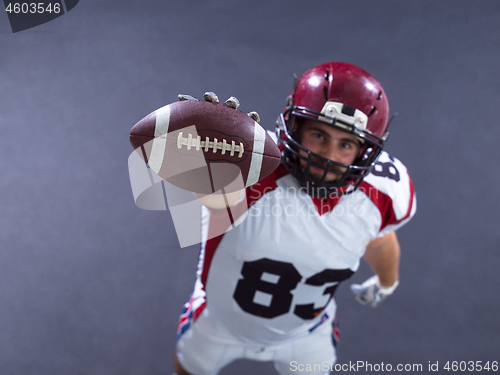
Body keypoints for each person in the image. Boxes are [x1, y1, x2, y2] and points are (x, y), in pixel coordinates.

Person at [172, 62, 416, 375]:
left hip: (306, 333)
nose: (328, 155)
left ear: (365, 151)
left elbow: (379, 240)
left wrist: (387, 282)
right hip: (217, 323)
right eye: (318, 134)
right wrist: (198, 154)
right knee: (189, 368)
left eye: (345, 144)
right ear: (295, 126)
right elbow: (216, 197)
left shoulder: (379, 195)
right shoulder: (249, 166)